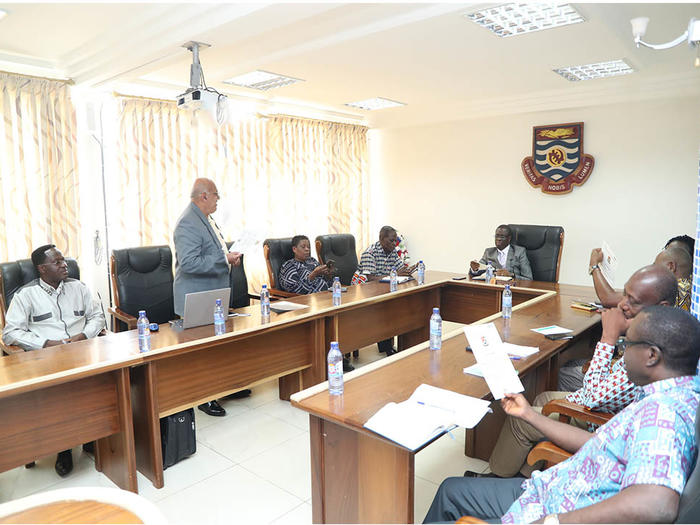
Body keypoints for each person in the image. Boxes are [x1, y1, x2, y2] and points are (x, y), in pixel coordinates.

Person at [425, 305, 700, 524]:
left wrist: (553, 521)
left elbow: (656, 505)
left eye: (627, 346)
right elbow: (598, 444)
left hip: (555, 509)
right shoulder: (664, 396)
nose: (622, 354)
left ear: (652, 355)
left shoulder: (664, 413)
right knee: (450, 490)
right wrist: (529, 415)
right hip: (549, 492)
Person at [483, 264, 677, 479]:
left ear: (663, 306)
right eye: (625, 294)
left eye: (634, 301)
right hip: (607, 408)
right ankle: (527, 474)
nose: (622, 304)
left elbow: (593, 398)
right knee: (543, 396)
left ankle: (497, 478)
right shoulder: (660, 332)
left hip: (599, 421)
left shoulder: (648, 354)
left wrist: (608, 338)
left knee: (520, 419)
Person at [2, 244, 106, 477]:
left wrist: (84, 335)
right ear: (42, 268)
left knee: (108, 381)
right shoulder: (26, 295)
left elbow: (97, 316)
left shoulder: (78, 287)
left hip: (84, 351)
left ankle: (94, 436)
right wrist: (46, 344)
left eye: (63, 260)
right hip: (46, 359)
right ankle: (64, 448)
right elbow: (10, 333)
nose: (64, 264)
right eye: (57, 262)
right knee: (61, 392)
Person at [173, 177, 243, 417]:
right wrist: (225, 260)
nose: (218, 200)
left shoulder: (205, 219)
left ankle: (222, 387)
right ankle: (204, 396)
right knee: (202, 349)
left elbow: (212, 251)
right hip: (196, 295)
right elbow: (190, 263)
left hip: (211, 292)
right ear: (204, 196)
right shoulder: (187, 223)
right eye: (216, 195)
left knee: (218, 345)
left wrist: (227, 255)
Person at [277, 234, 357, 371]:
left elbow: (326, 282)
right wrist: (313, 275)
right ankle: (328, 358)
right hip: (305, 304)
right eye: (303, 247)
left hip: (326, 298)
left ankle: (339, 353)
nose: (307, 250)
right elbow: (291, 288)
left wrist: (328, 274)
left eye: (308, 247)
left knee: (346, 314)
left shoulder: (313, 261)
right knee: (331, 320)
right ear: (294, 249)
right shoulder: (289, 266)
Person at [355, 225, 417, 356]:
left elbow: (400, 269)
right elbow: (370, 278)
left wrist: (409, 270)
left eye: (396, 241)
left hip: (384, 288)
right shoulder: (369, 253)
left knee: (400, 304)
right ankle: (386, 346)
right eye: (391, 241)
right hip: (363, 292)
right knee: (388, 307)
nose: (394, 244)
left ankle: (389, 345)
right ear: (381, 239)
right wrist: (395, 274)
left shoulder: (392, 252)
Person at [590, 235, 694, 308]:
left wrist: (594, 265)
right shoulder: (692, 287)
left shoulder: (665, 288)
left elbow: (608, 299)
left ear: (671, 266)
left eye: (655, 265)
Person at [655, 246, 692, 311]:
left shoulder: (667, 291)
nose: (654, 271)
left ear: (671, 266)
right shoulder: (695, 289)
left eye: (656, 266)